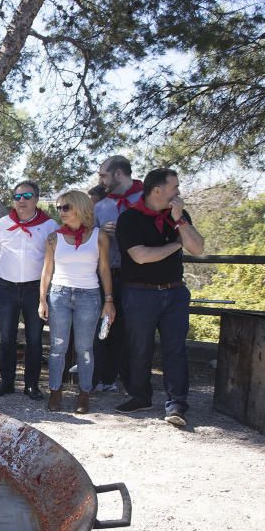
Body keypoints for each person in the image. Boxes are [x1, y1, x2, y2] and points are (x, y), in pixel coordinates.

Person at [115, 168, 204, 426]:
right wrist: (177, 244)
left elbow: (197, 248)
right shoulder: (129, 218)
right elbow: (140, 256)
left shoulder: (179, 216)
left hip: (174, 292)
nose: (178, 192)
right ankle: (140, 396)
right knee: (139, 348)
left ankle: (176, 404)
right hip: (139, 293)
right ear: (158, 190)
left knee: (175, 349)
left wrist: (180, 223)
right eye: (174, 187)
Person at [38, 190, 116, 414]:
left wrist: (108, 300)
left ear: (80, 208)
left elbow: (104, 269)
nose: (61, 212)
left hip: (89, 295)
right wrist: (42, 299)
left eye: (66, 207)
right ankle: (55, 390)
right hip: (59, 294)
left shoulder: (99, 236)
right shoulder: (54, 237)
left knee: (84, 348)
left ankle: (84, 393)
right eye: (59, 207)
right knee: (57, 347)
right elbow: (47, 271)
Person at [0, 180, 59, 400]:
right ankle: (6, 382)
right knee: (7, 337)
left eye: (27, 197)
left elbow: (53, 259)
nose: (22, 201)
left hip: (34, 289)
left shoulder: (49, 226)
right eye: (17, 197)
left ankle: (31, 385)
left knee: (34, 339)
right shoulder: (1, 224)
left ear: (36, 199)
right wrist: (5, 273)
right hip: (7, 288)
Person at [93, 155, 144, 392]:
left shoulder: (145, 199)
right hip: (107, 272)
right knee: (106, 325)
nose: (100, 180)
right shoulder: (102, 206)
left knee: (135, 327)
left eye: (103, 174)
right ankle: (105, 377)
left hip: (139, 274)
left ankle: (133, 381)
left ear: (118, 174)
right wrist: (101, 232)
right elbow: (89, 237)